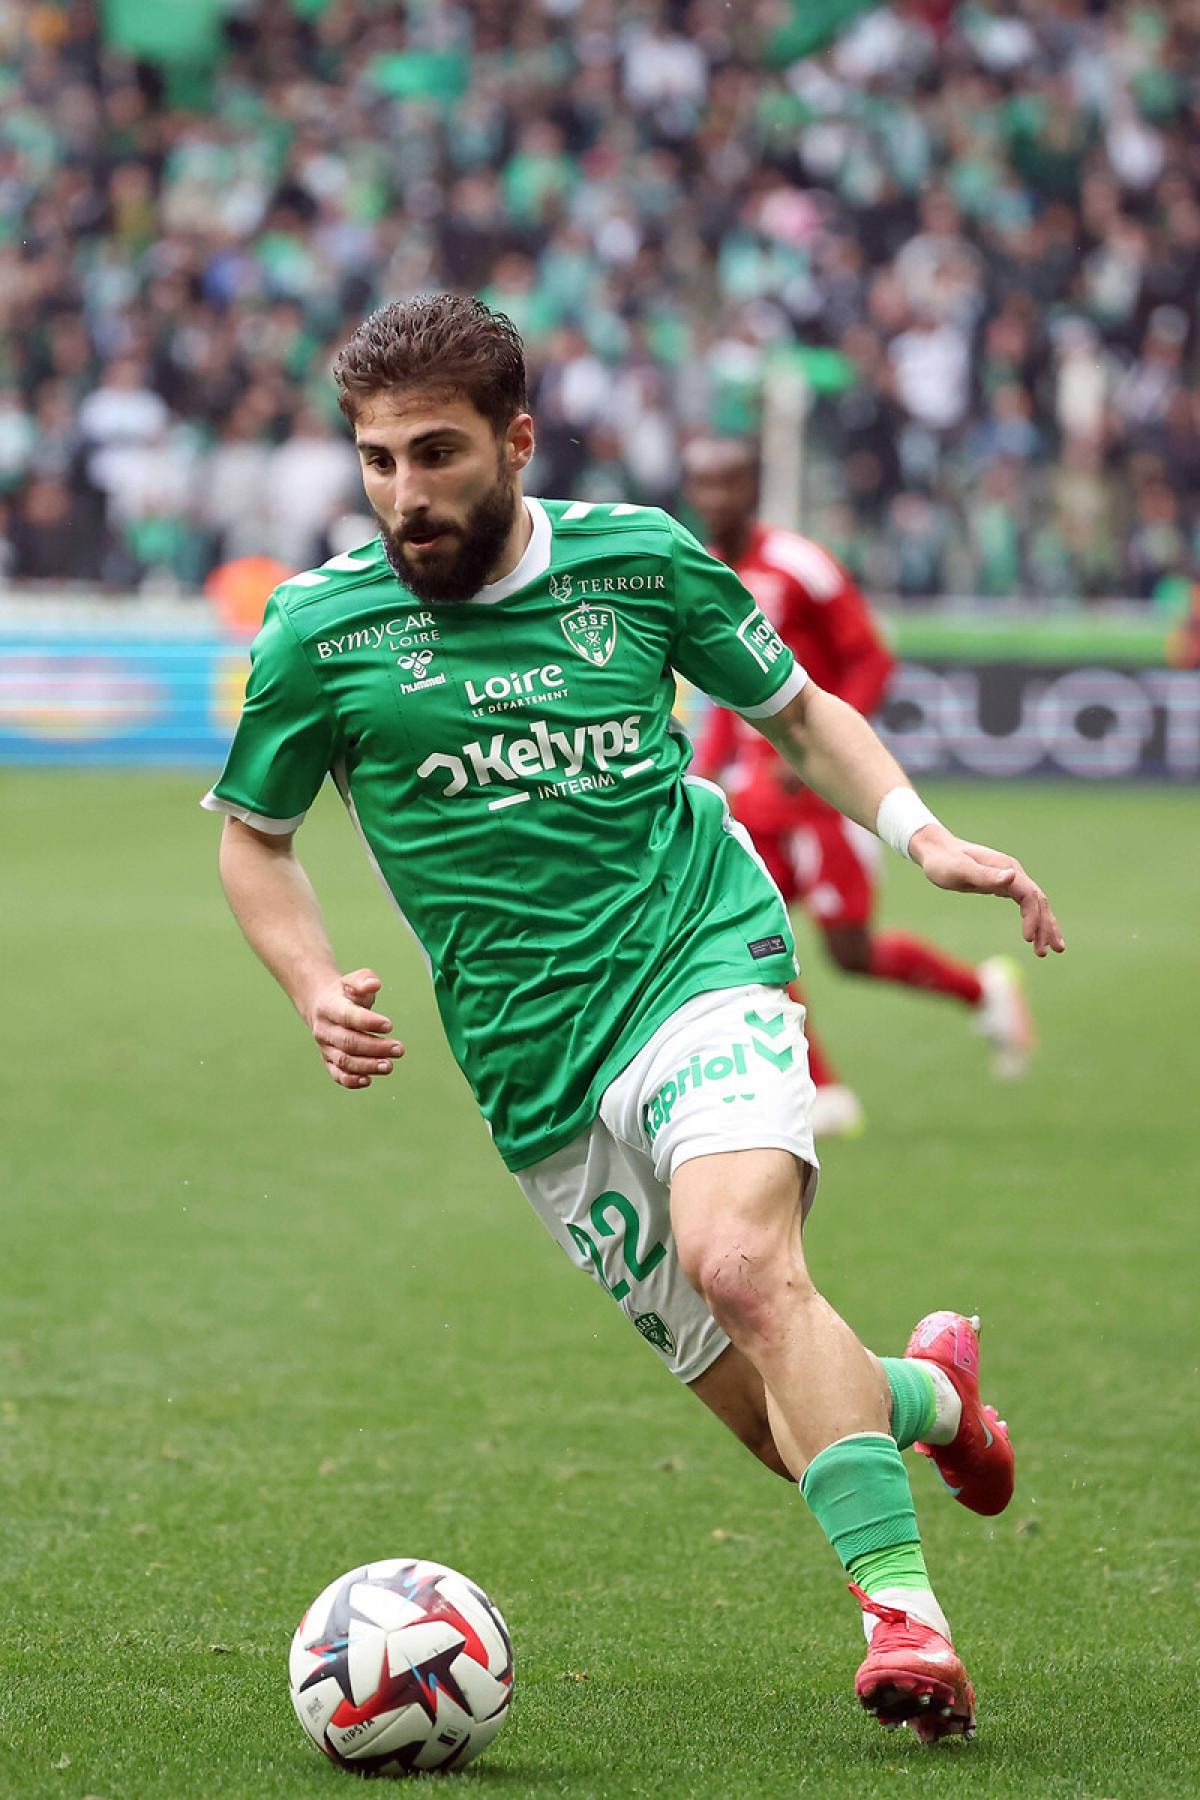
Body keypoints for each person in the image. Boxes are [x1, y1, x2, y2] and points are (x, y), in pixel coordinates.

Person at [204, 295, 1064, 1743]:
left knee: (742, 1264)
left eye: (437, 454)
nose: (406, 495)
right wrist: (311, 982)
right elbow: (256, 838)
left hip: (698, 958)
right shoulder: (319, 629)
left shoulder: (639, 561)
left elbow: (798, 712)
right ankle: (932, 1400)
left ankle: (906, 1627)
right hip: (531, 1064)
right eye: (378, 461)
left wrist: (921, 838)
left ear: (517, 441)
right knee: (780, 1422)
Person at [682, 435, 1035, 1138]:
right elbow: (726, 694)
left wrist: (818, 747)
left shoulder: (801, 565)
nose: (715, 499)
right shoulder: (705, 570)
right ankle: (822, 1088)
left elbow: (871, 659)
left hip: (822, 796)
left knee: (849, 951)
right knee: (744, 931)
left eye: (728, 483)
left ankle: (981, 991)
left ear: (753, 485)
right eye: (704, 486)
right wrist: (705, 768)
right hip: (759, 800)